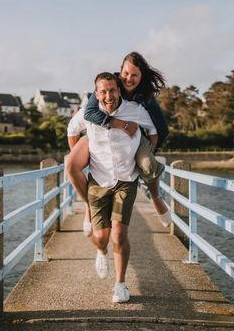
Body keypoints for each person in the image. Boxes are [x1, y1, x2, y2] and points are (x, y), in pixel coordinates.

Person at [67, 72, 158, 303]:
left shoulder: (134, 110)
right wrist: (83, 153)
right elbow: (72, 131)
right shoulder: (88, 114)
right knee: (100, 237)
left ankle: (120, 284)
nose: (108, 95)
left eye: (112, 90)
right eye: (103, 91)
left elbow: (154, 131)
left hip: (126, 180)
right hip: (98, 181)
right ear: (96, 94)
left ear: (119, 90)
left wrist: (144, 153)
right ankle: (100, 252)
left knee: (119, 234)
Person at [65, 52, 170, 237]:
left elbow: (160, 129)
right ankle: (90, 209)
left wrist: (148, 152)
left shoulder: (145, 96)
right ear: (120, 71)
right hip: (101, 130)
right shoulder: (109, 84)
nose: (129, 79)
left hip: (137, 136)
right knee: (71, 166)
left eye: (135, 75)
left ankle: (155, 197)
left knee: (147, 164)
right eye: (126, 73)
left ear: (141, 76)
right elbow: (89, 113)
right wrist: (120, 125)